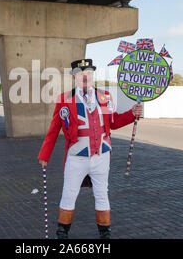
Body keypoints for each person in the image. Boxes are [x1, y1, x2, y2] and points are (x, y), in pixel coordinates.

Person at [37, 59, 143, 239]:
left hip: (101, 156)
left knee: (102, 195)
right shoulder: (64, 99)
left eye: (88, 73)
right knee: (69, 195)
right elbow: (54, 129)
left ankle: (105, 236)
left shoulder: (105, 96)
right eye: (80, 74)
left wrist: (132, 113)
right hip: (76, 157)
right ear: (74, 77)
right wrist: (44, 154)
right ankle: (62, 235)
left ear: (92, 75)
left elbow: (114, 122)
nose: (85, 77)